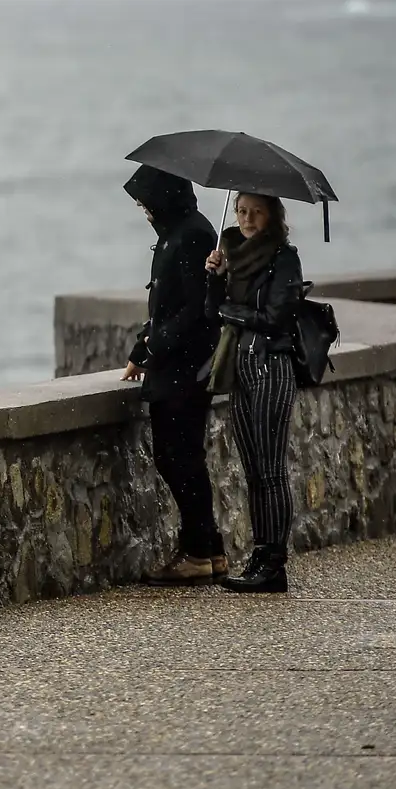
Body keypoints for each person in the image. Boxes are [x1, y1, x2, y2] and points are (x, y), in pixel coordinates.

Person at [120, 165, 226, 585]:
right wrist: (140, 350)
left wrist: (154, 345)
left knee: (178, 457)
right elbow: (165, 307)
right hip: (174, 364)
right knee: (181, 458)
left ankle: (200, 551)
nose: (144, 211)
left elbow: (196, 311)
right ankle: (209, 549)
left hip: (187, 367)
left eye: (146, 203)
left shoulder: (192, 234)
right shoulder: (177, 231)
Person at [205, 192, 304, 594]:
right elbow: (213, 311)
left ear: (272, 216)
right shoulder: (231, 254)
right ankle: (259, 556)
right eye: (242, 211)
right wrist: (215, 277)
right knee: (252, 469)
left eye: (256, 213)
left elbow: (275, 318)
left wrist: (231, 310)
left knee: (271, 468)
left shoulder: (284, 258)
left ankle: (274, 562)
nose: (246, 220)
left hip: (271, 366)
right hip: (240, 367)